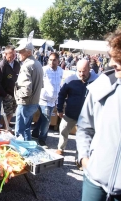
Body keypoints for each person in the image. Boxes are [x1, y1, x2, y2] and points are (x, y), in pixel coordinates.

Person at [76, 28, 121, 201]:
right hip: (94, 182)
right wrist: (84, 159)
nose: (110, 63)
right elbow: (85, 127)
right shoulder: (103, 84)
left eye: (118, 58)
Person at [55, 60, 98, 155]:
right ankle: (61, 148)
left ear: (89, 69)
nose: (82, 74)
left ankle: (80, 157)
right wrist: (59, 108)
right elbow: (61, 94)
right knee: (63, 130)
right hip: (70, 113)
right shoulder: (70, 80)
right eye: (79, 71)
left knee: (84, 138)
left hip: (87, 116)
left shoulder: (96, 81)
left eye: (84, 71)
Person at [32, 53, 63, 148]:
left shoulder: (61, 71)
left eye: (54, 60)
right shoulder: (44, 70)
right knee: (47, 119)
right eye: (50, 60)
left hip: (53, 99)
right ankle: (42, 139)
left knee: (43, 117)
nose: (52, 62)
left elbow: (60, 84)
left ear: (58, 61)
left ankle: (35, 132)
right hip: (44, 99)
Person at [14, 41, 43, 141]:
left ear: (29, 52)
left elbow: (26, 90)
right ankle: (28, 151)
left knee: (19, 133)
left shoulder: (26, 66)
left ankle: (20, 154)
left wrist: (17, 94)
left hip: (26, 103)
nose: (19, 54)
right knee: (26, 129)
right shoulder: (38, 64)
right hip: (33, 102)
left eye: (21, 51)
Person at [0, 45, 20, 129]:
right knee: (9, 113)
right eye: (11, 54)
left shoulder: (17, 64)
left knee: (11, 112)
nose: (14, 56)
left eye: (15, 54)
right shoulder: (1, 65)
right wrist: (2, 92)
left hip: (15, 93)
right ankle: (6, 129)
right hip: (6, 93)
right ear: (5, 54)